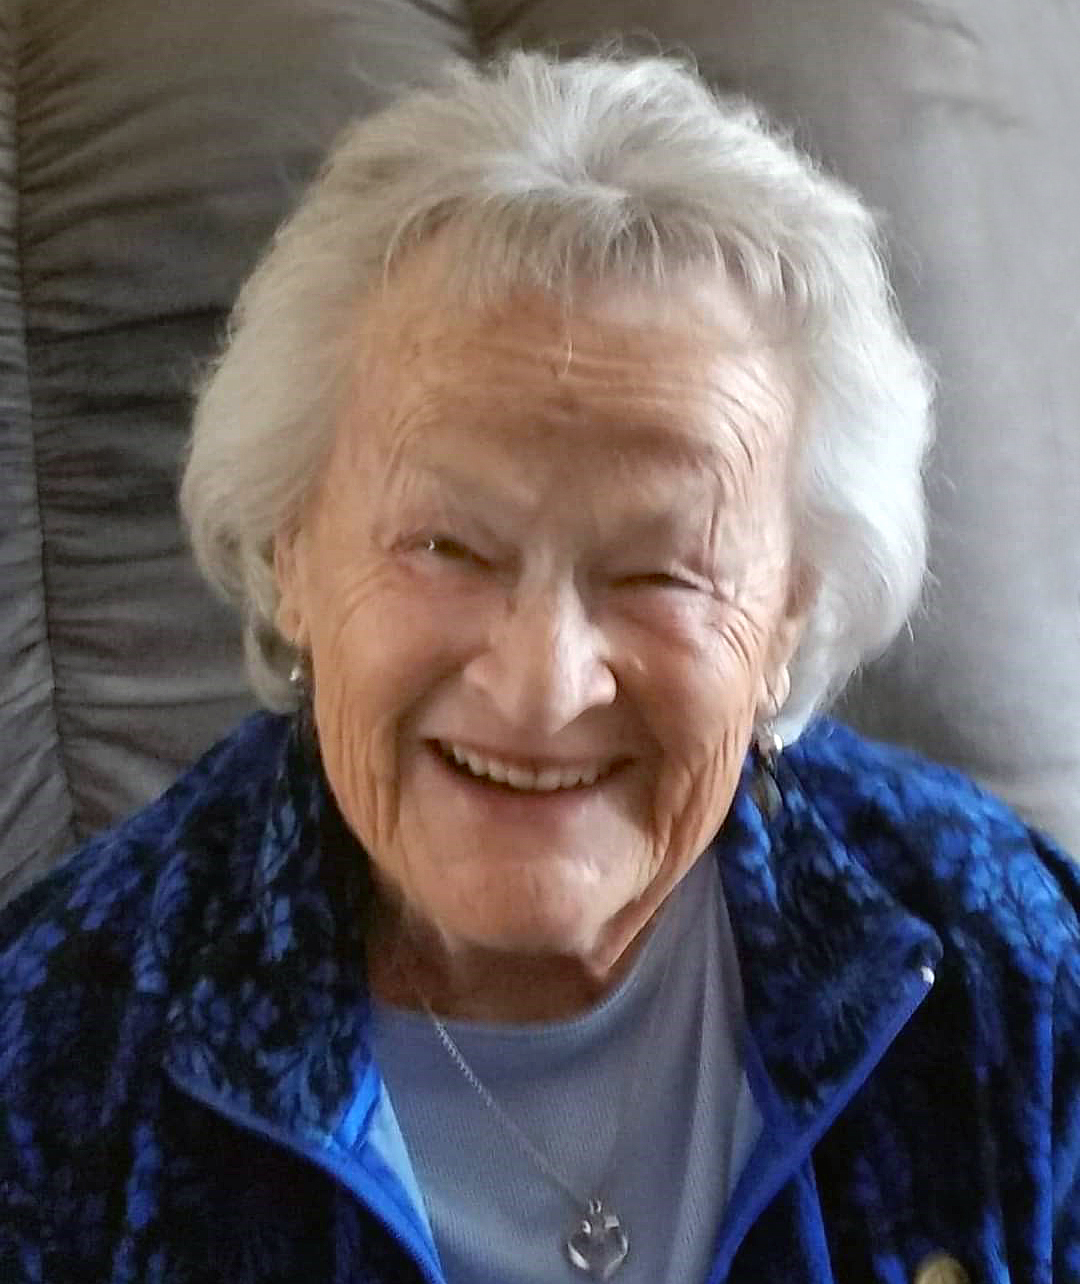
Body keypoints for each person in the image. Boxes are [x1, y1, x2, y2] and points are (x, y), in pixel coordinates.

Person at [1, 49, 1078, 1284]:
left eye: (662, 571)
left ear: (792, 612)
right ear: (290, 553)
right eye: (447, 548)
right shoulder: (59, 1057)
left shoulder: (997, 966)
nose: (543, 686)